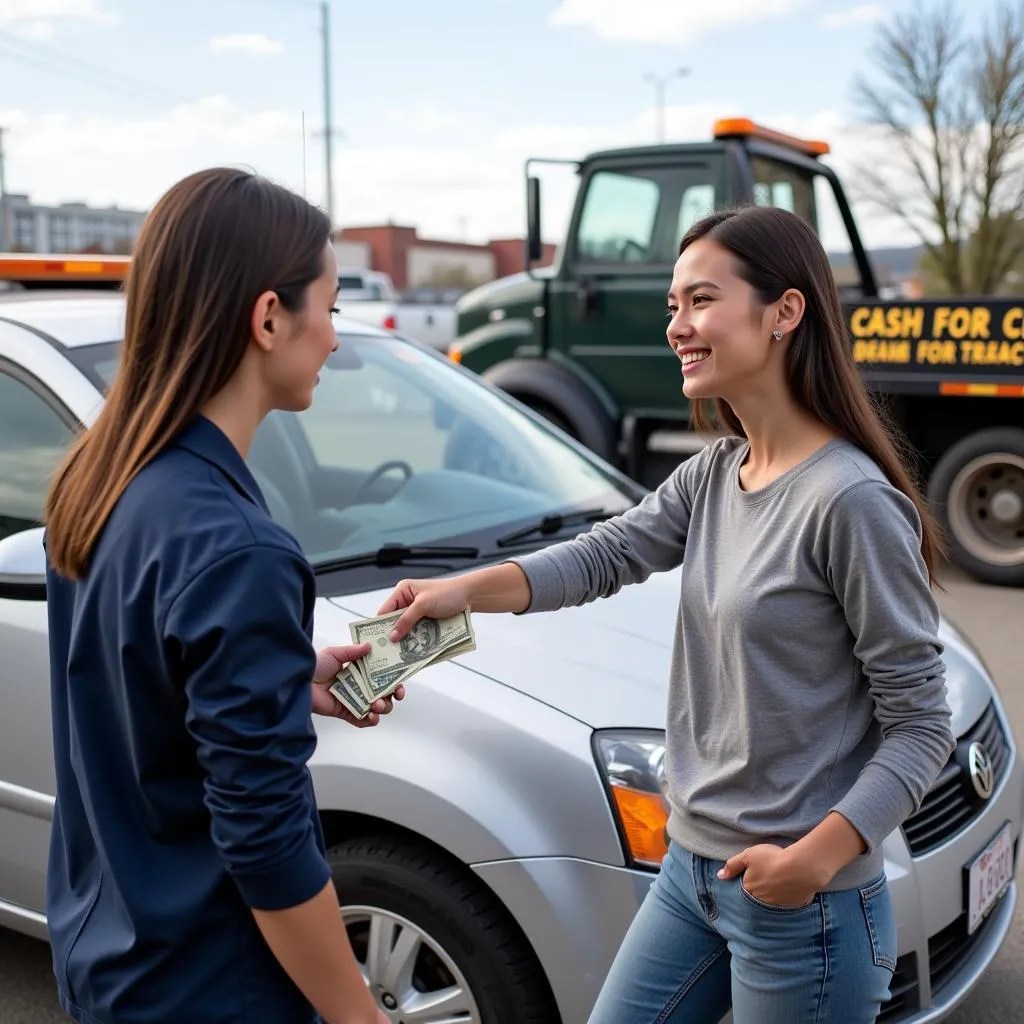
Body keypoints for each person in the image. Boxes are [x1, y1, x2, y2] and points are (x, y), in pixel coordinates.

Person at [376, 205, 957, 1023]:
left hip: (805, 907)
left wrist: (817, 857)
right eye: (673, 307)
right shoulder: (719, 472)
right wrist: (465, 590)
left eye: (701, 301)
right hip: (691, 875)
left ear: (786, 312)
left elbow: (922, 726)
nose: (678, 327)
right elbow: (603, 556)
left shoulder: (849, 501)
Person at [43, 167, 400, 1024]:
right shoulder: (238, 548)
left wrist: (284, 675)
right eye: (333, 307)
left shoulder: (101, 481)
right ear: (270, 318)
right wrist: (359, 1015)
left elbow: (132, 690)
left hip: (110, 956)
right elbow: (267, 843)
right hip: (212, 986)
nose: (336, 341)